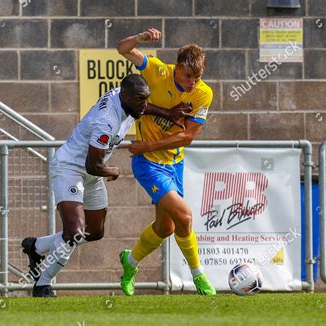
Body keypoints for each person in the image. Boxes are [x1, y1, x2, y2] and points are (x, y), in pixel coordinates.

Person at [21, 74, 191, 297]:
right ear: (126, 96)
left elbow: (142, 107)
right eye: (140, 99)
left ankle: (37, 247)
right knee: (74, 232)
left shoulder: (128, 102)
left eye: (146, 98)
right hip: (71, 169)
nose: (144, 104)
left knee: (94, 232)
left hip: (91, 173)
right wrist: (113, 170)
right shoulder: (107, 121)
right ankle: (43, 284)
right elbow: (93, 165)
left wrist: (168, 113)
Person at [116, 28, 216, 296]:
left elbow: (187, 137)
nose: (192, 82)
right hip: (147, 163)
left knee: (166, 227)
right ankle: (199, 276)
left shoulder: (203, 94)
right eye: (187, 76)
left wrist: (147, 144)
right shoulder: (157, 71)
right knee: (184, 215)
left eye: (197, 77)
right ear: (177, 67)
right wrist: (139, 39)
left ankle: (130, 261)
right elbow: (122, 48)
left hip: (173, 162)